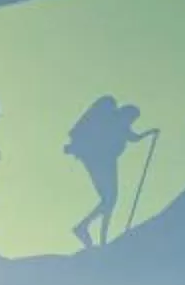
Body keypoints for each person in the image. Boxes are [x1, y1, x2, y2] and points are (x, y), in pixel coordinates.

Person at [64, 96, 151, 249]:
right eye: (131, 118)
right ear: (125, 114)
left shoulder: (123, 127)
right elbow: (95, 130)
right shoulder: (109, 120)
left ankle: (89, 230)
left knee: (110, 200)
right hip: (99, 162)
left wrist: (149, 133)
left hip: (108, 163)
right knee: (109, 199)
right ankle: (89, 231)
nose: (131, 123)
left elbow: (134, 137)